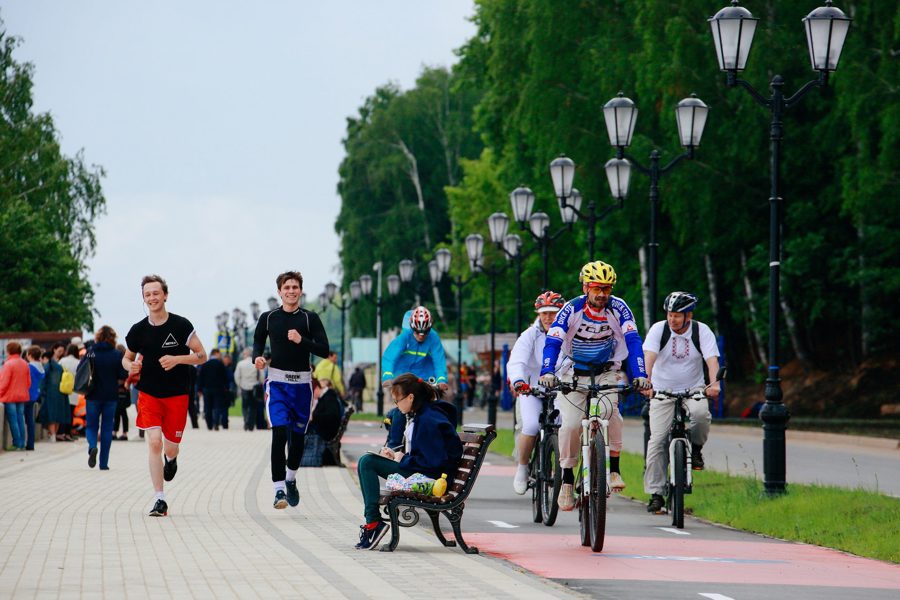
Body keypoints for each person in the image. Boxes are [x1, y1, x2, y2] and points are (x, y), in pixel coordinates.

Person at [538, 260, 653, 511]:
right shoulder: (571, 309)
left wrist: (640, 373)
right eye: (597, 288)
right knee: (568, 426)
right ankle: (567, 479)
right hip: (573, 373)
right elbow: (553, 341)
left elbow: (633, 341)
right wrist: (547, 371)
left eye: (607, 289)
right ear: (586, 287)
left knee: (612, 415)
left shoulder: (619, 308)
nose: (602, 294)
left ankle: (614, 469)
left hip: (605, 372)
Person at [123, 274, 208, 517]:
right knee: (154, 442)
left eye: (156, 293)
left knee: (170, 448)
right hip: (148, 394)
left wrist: (178, 359)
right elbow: (126, 358)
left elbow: (202, 355)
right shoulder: (138, 330)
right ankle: (159, 498)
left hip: (177, 395)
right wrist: (129, 366)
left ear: (165, 295)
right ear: (143, 298)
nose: (152, 298)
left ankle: (171, 461)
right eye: (147, 294)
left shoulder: (181, 326)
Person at [355, 373, 462, 550]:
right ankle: (373, 522)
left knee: (367, 462)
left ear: (411, 397)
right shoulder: (424, 415)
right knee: (366, 461)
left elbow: (434, 462)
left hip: (431, 479)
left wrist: (403, 458)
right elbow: (426, 453)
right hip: (422, 473)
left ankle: (373, 523)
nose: (395, 405)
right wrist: (397, 455)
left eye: (397, 400)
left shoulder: (428, 420)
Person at [252, 271, 329, 510]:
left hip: (303, 385)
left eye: (295, 287)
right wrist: (258, 358)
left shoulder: (310, 319)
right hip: (277, 383)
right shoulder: (268, 318)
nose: (291, 291)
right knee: (279, 433)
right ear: (279, 291)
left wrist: (301, 341)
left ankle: (291, 479)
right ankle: (278, 491)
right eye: (287, 287)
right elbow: (257, 342)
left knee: (297, 439)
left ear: (300, 291)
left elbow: (324, 350)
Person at [642, 292, 721, 514]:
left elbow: (711, 360)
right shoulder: (659, 329)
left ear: (689, 315)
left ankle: (695, 448)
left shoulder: (701, 330)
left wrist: (714, 384)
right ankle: (656, 493)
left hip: (693, 388)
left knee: (701, 415)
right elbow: (649, 356)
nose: (672, 319)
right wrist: (646, 382)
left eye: (677, 315)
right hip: (662, 390)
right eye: (670, 314)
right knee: (657, 440)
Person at [507, 291, 566, 494]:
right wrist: (518, 381)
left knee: (566, 426)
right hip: (532, 390)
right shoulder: (530, 334)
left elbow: (575, 360)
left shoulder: (570, 333)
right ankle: (523, 468)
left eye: (553, 313)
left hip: (561, 390)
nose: (548, 317)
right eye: (544, 313)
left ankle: (565, 474)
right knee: (531, 425)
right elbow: (517, 360)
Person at [381, 306, 448, 448]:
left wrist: (441, 379)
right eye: (418, 332)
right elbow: (389, 357)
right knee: (402, 410)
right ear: (412, 327)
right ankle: (393, 445)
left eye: (425, 332)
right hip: (403, 376)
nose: (421, 336)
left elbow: (439, 360)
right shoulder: (404, 336)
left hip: (422, 376)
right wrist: (388, 375)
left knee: (428, 407)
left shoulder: (433, 337)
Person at [84, 326, 128, 470]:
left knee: (91, 426)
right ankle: (103, 464)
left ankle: (92, 447)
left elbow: (81, 371)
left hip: (92, 395)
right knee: (107, 429)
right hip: (111, 396)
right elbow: (123, 375)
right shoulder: (116, 354)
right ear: (113, 338)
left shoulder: (91, 352)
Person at [1, 341, 31, 451]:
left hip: (10, 396)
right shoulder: (25, 364)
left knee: (13, 420)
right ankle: (22, 443)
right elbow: (28, 382)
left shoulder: (8, 364)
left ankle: (17, 443)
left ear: (9, 351)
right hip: (22, 396)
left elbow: (4, 382)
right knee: (20, 419)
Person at [38, 344, 70, 442]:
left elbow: (43, 380)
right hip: (61, 392)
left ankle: (52, 435)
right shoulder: (60, 366)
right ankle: (53, 435)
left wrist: (42, 391)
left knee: (52, 415)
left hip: (51, 393)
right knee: (58, 416)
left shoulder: (49, 365)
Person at [198, 349, 230, 430]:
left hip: (206, 389)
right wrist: (226, 387)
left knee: (208, 407)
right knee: (217, 406)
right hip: (218, 389)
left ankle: (209, 425)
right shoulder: (220, 364)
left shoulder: (205, 364)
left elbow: (200, 377)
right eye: (219, 354)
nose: (220, 356)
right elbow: (224, 377)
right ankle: (216, 423)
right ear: (215, 353)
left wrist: (199, 389)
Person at [234, 348, 263, 430]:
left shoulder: (240, 363)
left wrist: (240, 384)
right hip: (254, 387)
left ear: (245, 354)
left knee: (245, 406)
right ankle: (251, 424)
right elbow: (261, 375)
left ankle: (246, 421)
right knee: (253, 407)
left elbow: (237, 376)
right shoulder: (256, 363)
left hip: (244, 387)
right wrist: (260, 383)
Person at [59, 343, 81, 440]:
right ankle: (68, 433)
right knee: (71, 413)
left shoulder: (62, 361)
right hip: (74, 391)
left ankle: (61, 432)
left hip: (63, 389)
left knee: (63, 412)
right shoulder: (78, 362)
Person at [24, 346, 45, 450]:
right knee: (30, 420)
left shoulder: (29, 367)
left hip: (26, 395)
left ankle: (24, 442)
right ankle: (31, 443)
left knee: (22, 420)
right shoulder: (41, 367)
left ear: (30, 355)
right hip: (35, 396)